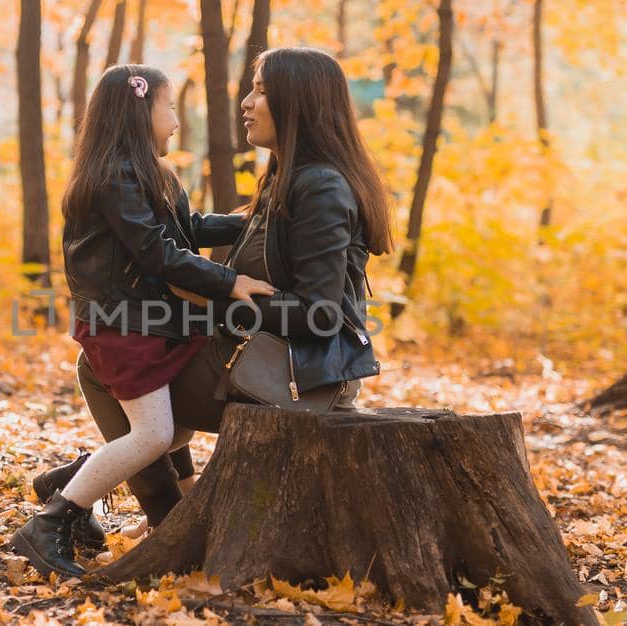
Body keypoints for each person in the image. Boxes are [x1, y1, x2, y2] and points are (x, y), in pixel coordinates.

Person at [50, 46, 395, 537]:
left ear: (297, 103)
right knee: (121, 362)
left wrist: (221, 302)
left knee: (110, 370)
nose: (246, 102)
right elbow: (175, 242)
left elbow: (318, 314)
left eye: (261, 90)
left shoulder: (318, 186)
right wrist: (229, 277)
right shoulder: (286, 180)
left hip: (300, 373)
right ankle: (145, 506)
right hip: (270, 353)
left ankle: (136, 507)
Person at [7, 64, 276, 578]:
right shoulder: (113, 178)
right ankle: (49, 524)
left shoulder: (152, 174)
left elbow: (187, 229)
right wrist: (227, 282)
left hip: (148, 321)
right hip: (121, 323)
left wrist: (249, 219)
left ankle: (71, 481)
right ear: (139, 111)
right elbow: (156, 251)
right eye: (169, 107)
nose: (176, 120)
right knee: (153, 436)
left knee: (170, 433)